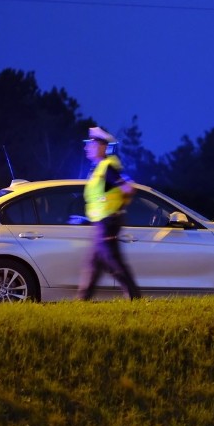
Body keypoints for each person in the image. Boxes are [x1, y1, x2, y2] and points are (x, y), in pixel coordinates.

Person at [77, 126, 142, 300]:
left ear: (101, 146)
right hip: (101, 223)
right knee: (94, 265)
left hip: (108, 224)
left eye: (90, 144)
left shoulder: (107, 168)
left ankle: (134, 298)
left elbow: (128, 189)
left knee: (113, 262)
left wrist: (119, 208)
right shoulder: (98, 169)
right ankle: (82, 300)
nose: (86, 147)